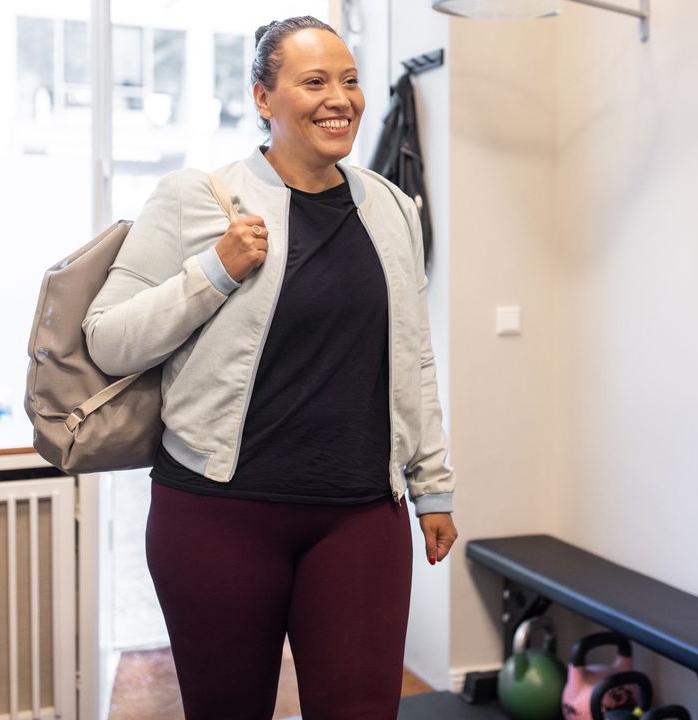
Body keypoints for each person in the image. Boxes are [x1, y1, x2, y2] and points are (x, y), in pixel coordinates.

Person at [83, 16, 458, 719]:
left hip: (359, 518)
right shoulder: (199, 198)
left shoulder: (390, 209)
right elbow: (108, 340)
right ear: (263, 98)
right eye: (314, 81)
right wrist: (214, 273)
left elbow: (412, 355)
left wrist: (432, 486)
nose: (339, 98)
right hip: (219, 518)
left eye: (349, 80)